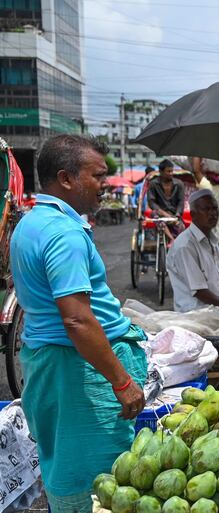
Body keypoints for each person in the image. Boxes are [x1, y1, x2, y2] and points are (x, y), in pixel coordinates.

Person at [10, 135, 147, 513]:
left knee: (65, 467)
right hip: (79, 375)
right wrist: (121, 381)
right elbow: (77, 319)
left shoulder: (33, 222)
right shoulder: (63, 233)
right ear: (66, 178)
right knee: (97, 481)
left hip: (52, 364)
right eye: (97, 175)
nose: (105, 184)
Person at [166, 189, 219, 330]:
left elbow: (218, 279)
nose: (213, 213)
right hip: (200, 313)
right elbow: (200, 292)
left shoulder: (211, 239)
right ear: (193, 214)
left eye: (215, 208)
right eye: (206, 209)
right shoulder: (185, 246)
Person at [191, 157, 219, 264]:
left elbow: (196, 170)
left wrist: (197, 154)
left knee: (208, 271)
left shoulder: (208, 190)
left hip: (209, 239)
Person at [146, 158, 185, 237]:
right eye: (168, 171)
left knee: (182, 228)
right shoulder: (153, 184)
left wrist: (177, 215)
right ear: (161, 172)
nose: (171, 173)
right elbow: (151, 202)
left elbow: (181, 202)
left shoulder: (179, 184)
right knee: (155, 215)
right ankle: (171, 239)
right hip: (160, 214)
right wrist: (164, 214)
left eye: (172, 171)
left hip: (175, 214)